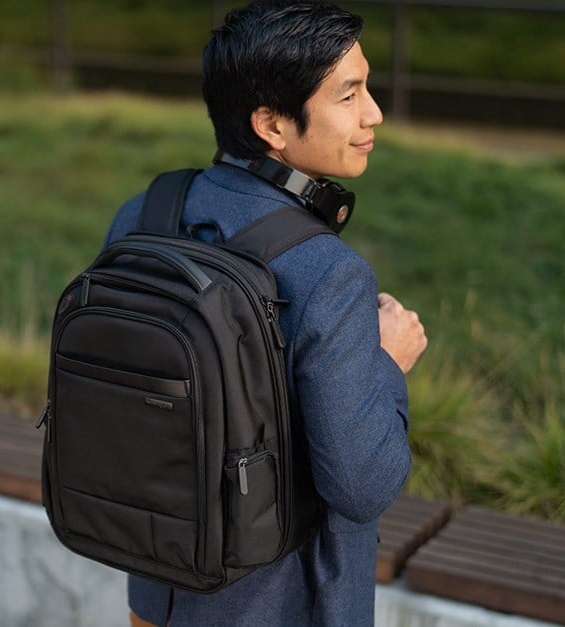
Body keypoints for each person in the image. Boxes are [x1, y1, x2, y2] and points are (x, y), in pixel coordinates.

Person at [104, 1, 428, 624]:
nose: (374, 113)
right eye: (349, 95)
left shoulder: (145, 216)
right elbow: (362, 486)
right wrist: (388, 363)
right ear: (271, 125)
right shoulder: (329, 274)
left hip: (156, 595)